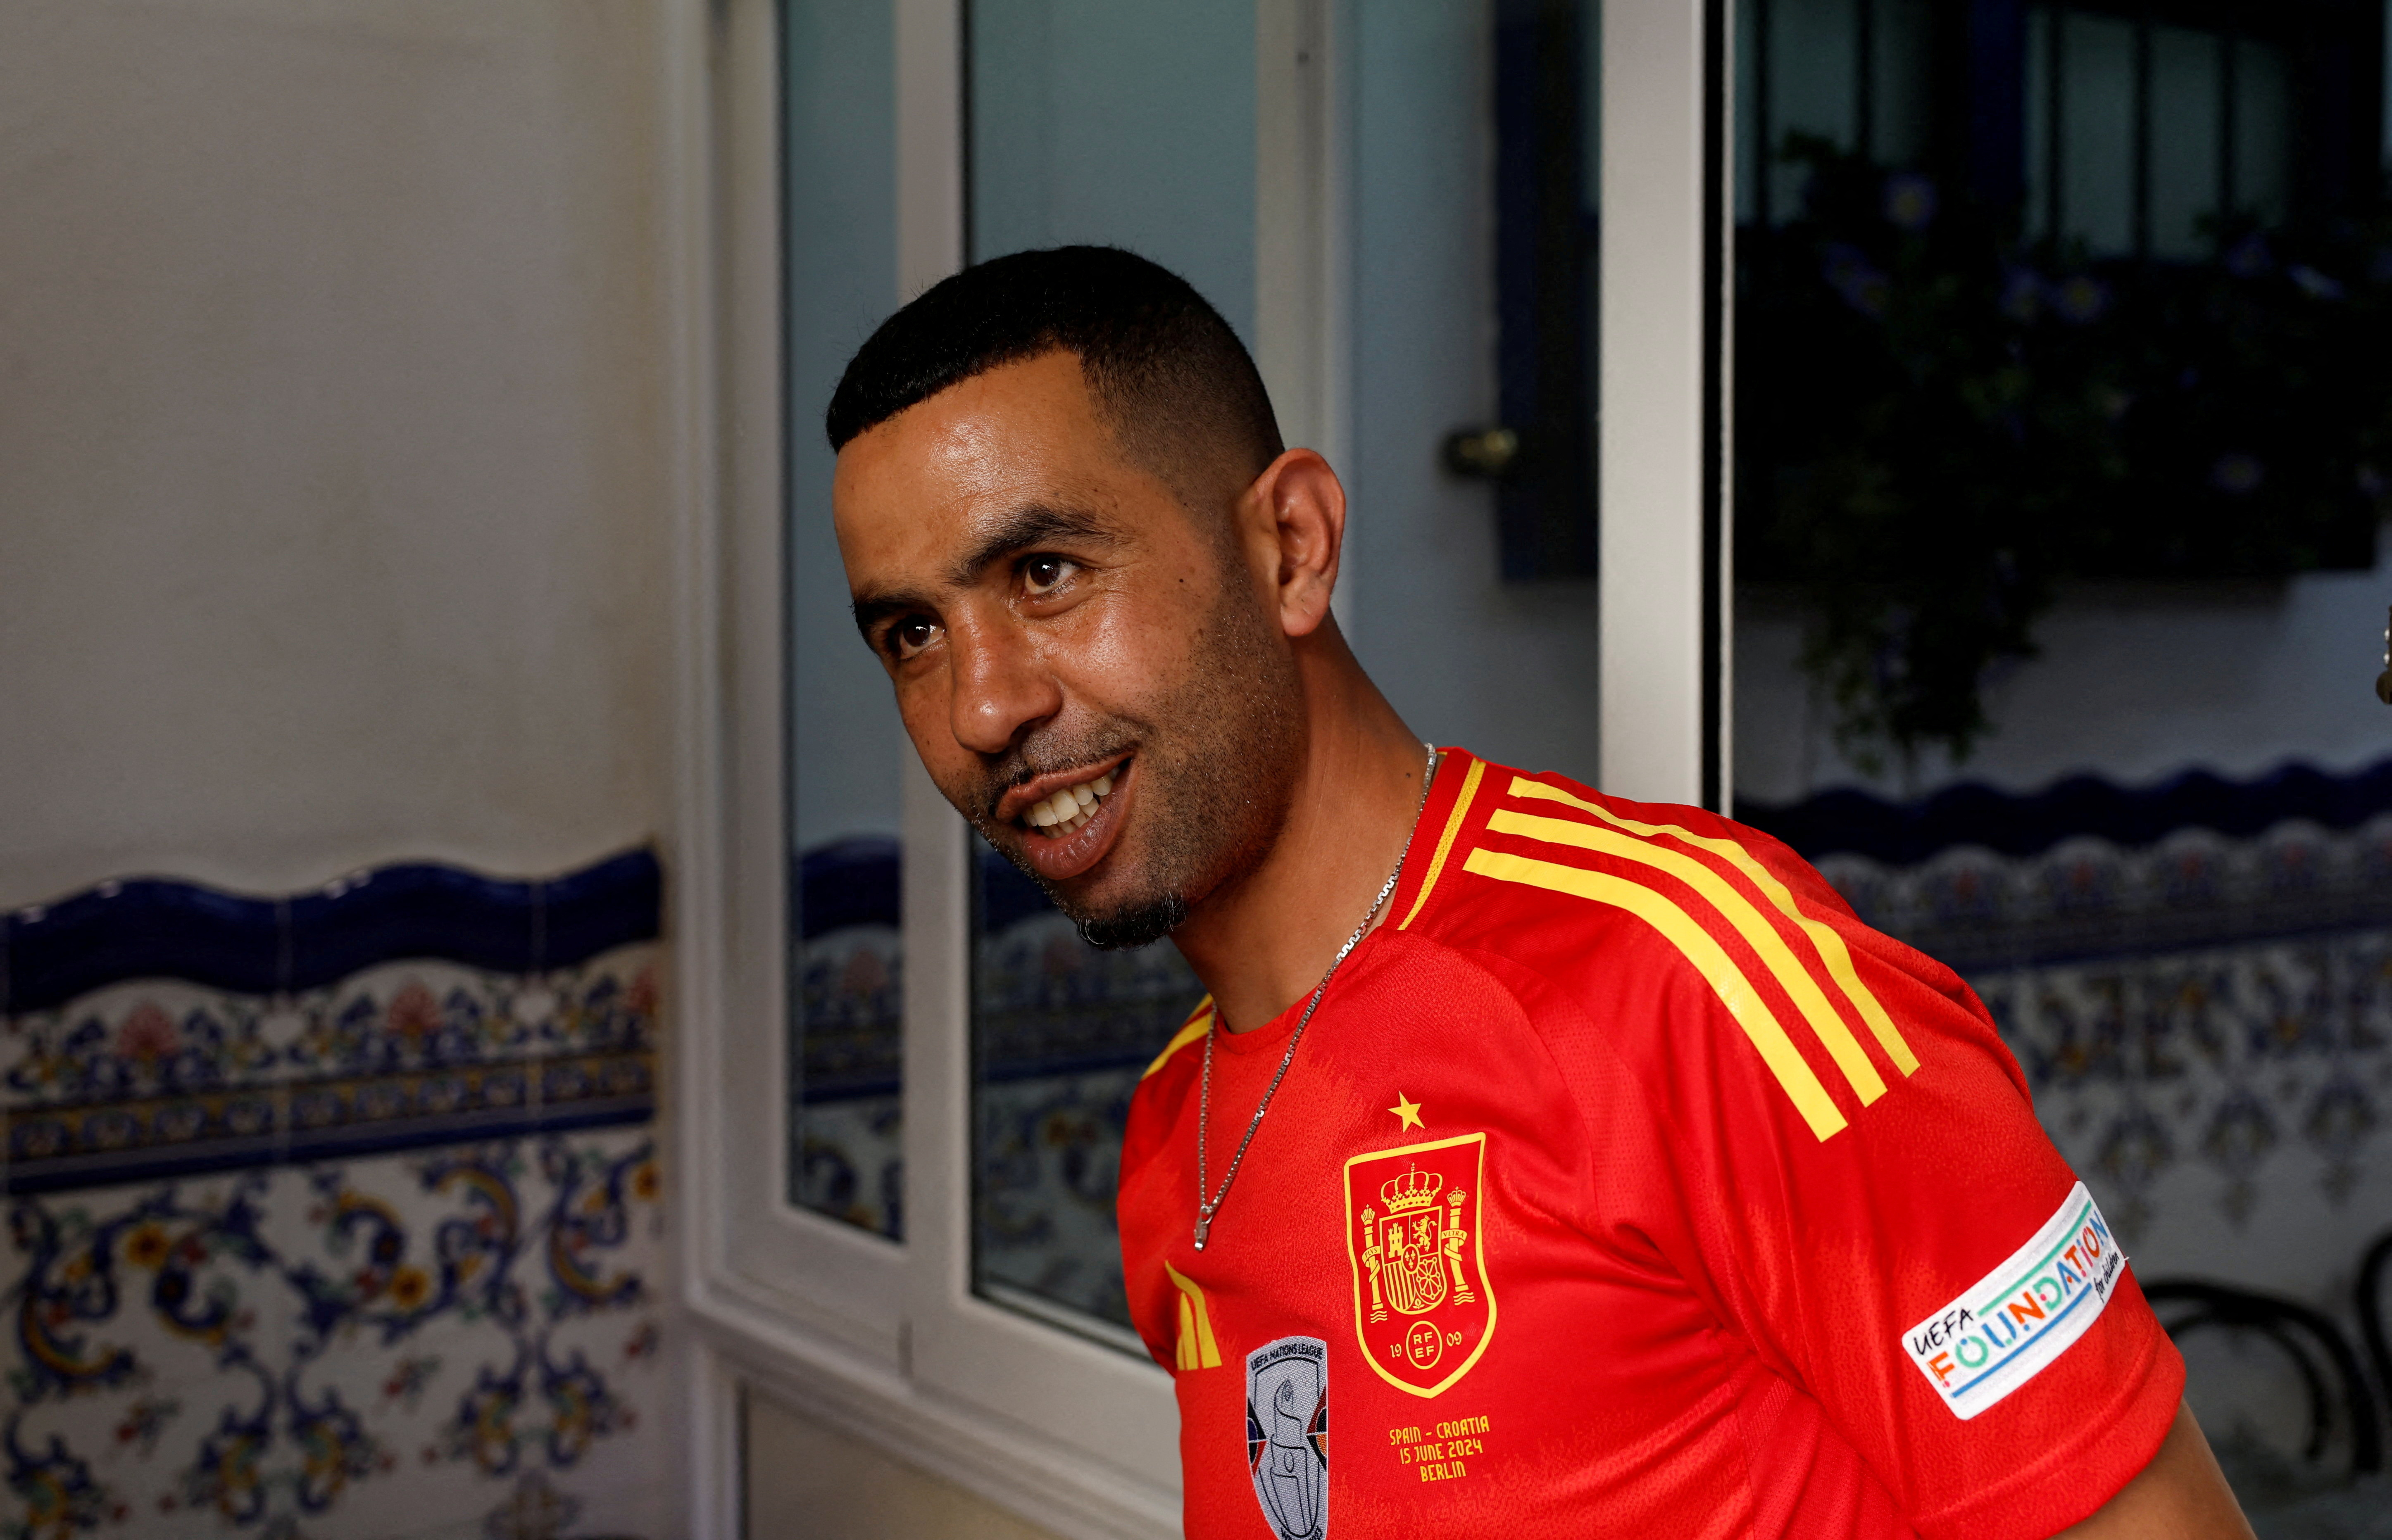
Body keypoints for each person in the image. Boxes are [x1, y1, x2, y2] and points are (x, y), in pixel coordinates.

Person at [826, 245, 2254, 1539]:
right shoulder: (1176, 1133)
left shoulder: (1692, 976)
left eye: (1048, 570)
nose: (984, 705)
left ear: (1293, 548)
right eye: (912, 632)